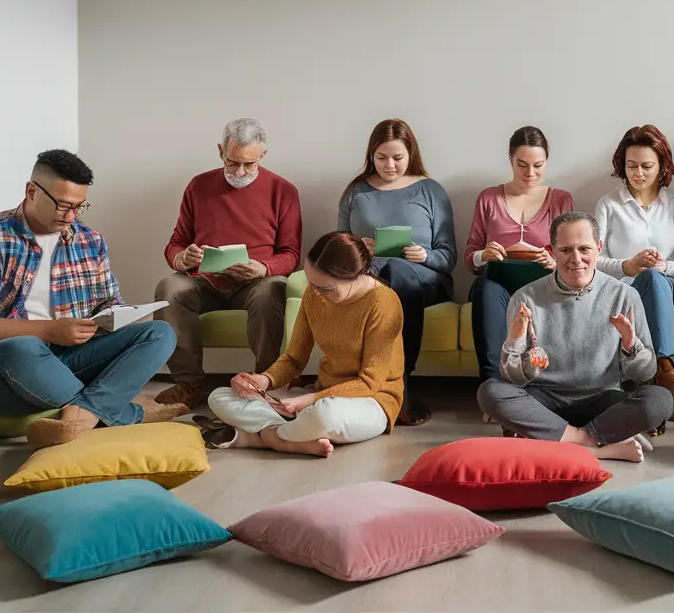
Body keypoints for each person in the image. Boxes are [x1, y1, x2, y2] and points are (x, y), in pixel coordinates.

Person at [0, 150, 183, 448]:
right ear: (31, 191)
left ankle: (83, 413)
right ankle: (124, 410)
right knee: (24, 347)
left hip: (68, 360)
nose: (70, 216)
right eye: (63, 205)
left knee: (159, 333)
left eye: (79, 207)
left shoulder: (88, 240)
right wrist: (49, 330)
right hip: (0, 372)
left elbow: (109, 302)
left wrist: (116, 317)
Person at [477, 212, 674, 462]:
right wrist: (516, 343)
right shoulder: (525, 298)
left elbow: (645, 374)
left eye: (584, 249)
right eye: (566, 250)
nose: (576, 259)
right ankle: (595, 446)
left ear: (598, 248)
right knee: (490, 391)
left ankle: (556, 440)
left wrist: (630, 344)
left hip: (603, 399)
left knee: (660, 399)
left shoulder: (625, 296)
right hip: (545, 400)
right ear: (552, 251)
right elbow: (512, 376)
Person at [198, 232, 405, 458]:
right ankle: (288, 439)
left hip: (371, 401)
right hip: (318, 399)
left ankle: (260, 436)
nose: (316, 293)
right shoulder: (314, 293)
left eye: (325, 288)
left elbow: (370, 383)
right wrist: (263, 380)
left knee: (325, 415)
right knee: (219, 396)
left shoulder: (384, 303)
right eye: (311, 283)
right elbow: (294, 359)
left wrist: (307, 401)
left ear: (355, 276)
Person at [153, 118, 302, 410]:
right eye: (232, 163)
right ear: (221, 150)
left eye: (249, 164)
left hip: (256, 281)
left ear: (263, 155)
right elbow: (176, 242)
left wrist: (265, 268)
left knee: (273, 289)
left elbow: (291, 253)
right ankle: (188, 384)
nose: (240, 172)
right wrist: (181, 259)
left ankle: (264, 382)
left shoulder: (283, 190)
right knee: (169, 286)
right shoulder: (199, 186)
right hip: (204, 280)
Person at [337, 119, 454, 427]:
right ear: (371, 157)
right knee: (375, 285)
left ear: (410, 154)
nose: (390, 165)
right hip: (373, 277)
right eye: (381, 158)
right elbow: (337, 253)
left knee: (399, 270)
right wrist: (359, 250)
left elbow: (448, 256)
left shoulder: (431, 190)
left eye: (398, 158)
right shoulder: (356, 192)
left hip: (423, 280)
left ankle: (402, 380)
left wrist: (424, 255)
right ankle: (366, 384)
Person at [593, 125, 674, 425]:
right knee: (644, 280)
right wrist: (628, 266)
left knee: (654, 279)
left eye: (647, 166)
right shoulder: (608, 205)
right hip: (623, 290)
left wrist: (660, 267)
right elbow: (593, 260)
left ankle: (667, 375)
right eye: (631, 166)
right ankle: (658, 384)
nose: (638, 173)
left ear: (662, 165)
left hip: (671, 289)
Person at [465, 126, 573, 382]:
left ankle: (547, 386)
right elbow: (470, 258)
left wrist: (555, 262)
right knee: (484, 288)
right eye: (521, 164)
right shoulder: (489, 198)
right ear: (510, 160)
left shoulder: (560, 199)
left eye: (538, 165)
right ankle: (493, 385)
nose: (530, 173)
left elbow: (571, 255)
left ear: (547, 160)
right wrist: (484, 254)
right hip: (497, 282)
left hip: (543, 283)